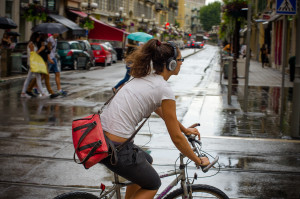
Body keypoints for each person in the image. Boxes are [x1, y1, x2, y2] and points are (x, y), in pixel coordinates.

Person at [100, 39, 210, 199]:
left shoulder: (146, 78)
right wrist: (197, 160)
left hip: (103, 140)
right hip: (116, 148)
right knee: (153, 184)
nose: (182, 63)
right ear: (171, 64)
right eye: (180, 60)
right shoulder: (163, 88)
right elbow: (177, 139)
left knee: (147, 161)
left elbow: (163, 113)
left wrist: (184, 129)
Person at [26, 33, 59, 99]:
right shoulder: (40, 41)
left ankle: (29, 89)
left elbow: (47, 51)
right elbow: (38, 51)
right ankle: (51, 92)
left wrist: (49, 48)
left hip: (44, 60)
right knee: (46, 76)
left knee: (41, 76)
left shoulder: (46, 40)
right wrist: (42, 48)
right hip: (41, 60)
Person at [20, 32, 47, 98]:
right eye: (38, 38)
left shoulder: (33, 44)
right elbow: (33, 54)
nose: (38, 39)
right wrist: (39, 50)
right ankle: (42, 93)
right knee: (38, 77)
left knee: (30, 78)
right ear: (35, 37)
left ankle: (23, 93)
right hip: (33, 63)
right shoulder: (31, 44)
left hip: (32, 63)